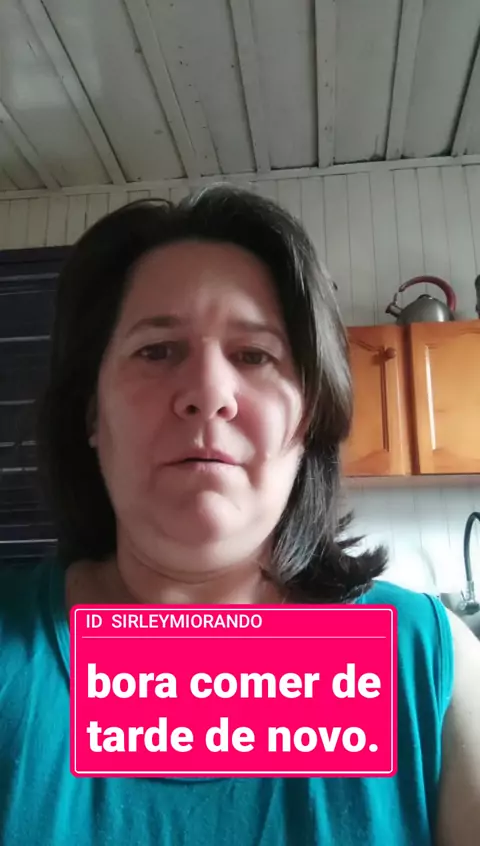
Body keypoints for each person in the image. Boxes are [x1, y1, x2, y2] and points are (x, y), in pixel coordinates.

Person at [0, 186, 479, 846]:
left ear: (309, 418)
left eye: (255, 355)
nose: (207, 393)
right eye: (157, 350)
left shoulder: (436, 670)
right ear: (92, 413)